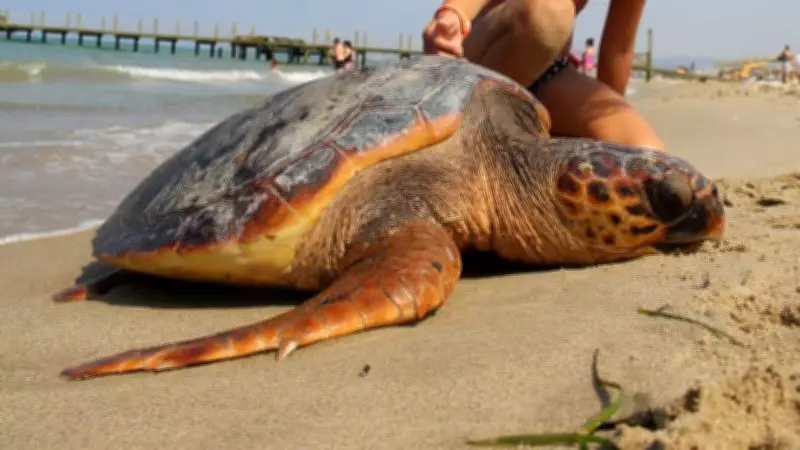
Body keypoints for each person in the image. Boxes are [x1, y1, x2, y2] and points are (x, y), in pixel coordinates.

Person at [422, 0, 665, 152]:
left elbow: (618, 48)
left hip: (548, 70)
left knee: (647, 159)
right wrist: (454, 12)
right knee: (551, 12)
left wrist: (608, 147)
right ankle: (466, 141)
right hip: (480, 54)